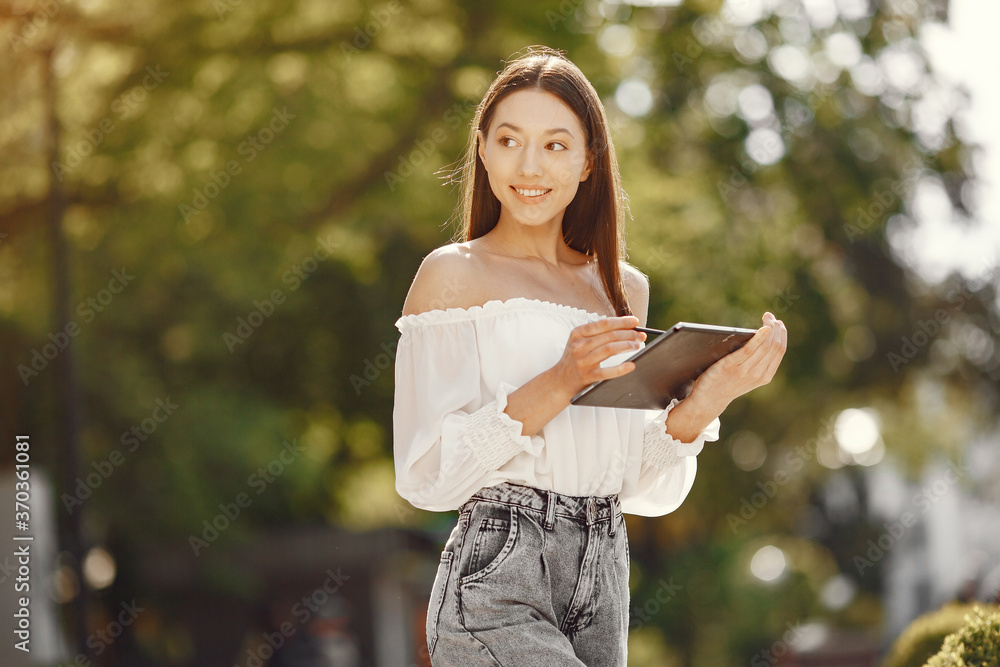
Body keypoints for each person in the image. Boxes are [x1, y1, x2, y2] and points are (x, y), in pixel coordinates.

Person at [392, 47, 787, 666]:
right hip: (497, 575)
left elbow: (631, 479)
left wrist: (713, 393)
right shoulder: (451, 276)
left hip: (604, 570)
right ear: (483, 150)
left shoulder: (622, 289)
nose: (530, 165)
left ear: (587, 162)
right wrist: (562, 378)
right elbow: (424, 474)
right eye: (509, 140)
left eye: (555, 145)